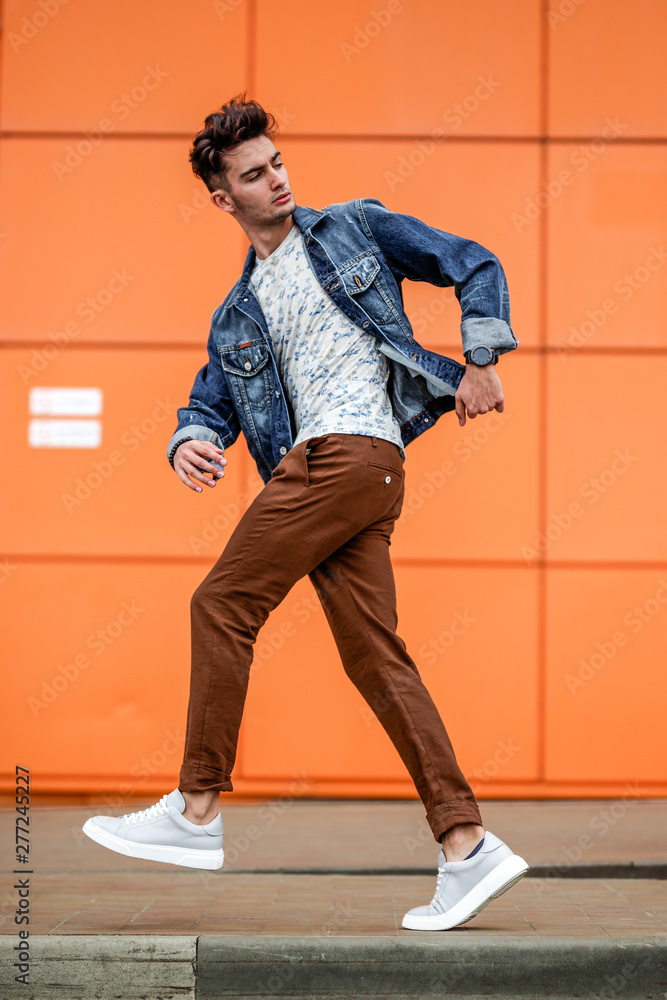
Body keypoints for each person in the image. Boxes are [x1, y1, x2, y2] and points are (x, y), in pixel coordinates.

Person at [82, 94, 529, 931]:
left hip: (344, 456)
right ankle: (468, 846)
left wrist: (479, 358)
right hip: (356, 476)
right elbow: (207, 402)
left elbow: (472, 261)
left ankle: (196, 809)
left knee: (222, 603)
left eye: (277, 162)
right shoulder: (237, 312)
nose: (276, 180)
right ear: (223, 199)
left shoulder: (355, 226)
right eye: (253, 175)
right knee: (377, 660)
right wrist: (188, 438)